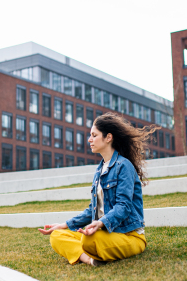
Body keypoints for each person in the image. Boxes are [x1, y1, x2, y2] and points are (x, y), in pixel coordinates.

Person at [38, 112, 159, 266]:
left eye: (94, 135)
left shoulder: (124, 166)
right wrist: (66, 225)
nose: (90, 140)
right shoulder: (99, 170)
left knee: (89, 239)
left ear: (108, 137)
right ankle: (89, 259)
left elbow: (124, 206)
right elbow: (92, 210)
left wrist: (101, 223)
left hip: (128, 236)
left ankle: (87, 251)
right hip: (104, 234)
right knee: (56, 235)